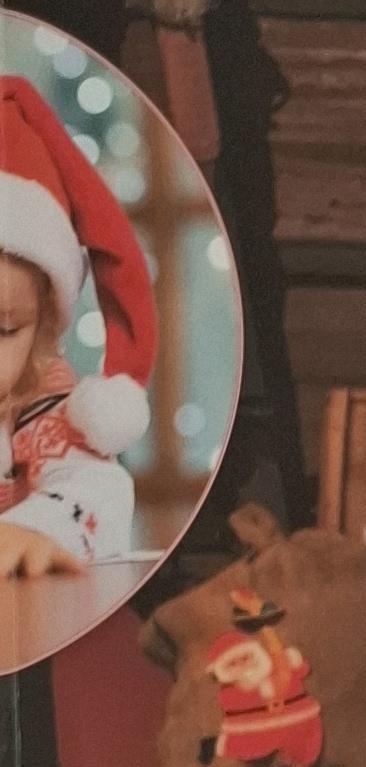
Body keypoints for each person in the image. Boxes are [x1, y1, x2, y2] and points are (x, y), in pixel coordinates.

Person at [0, 75, 155, 578]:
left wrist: (39, 528)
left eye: (4, 331)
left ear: (41, 330)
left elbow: (99, 490)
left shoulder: (32, 399)